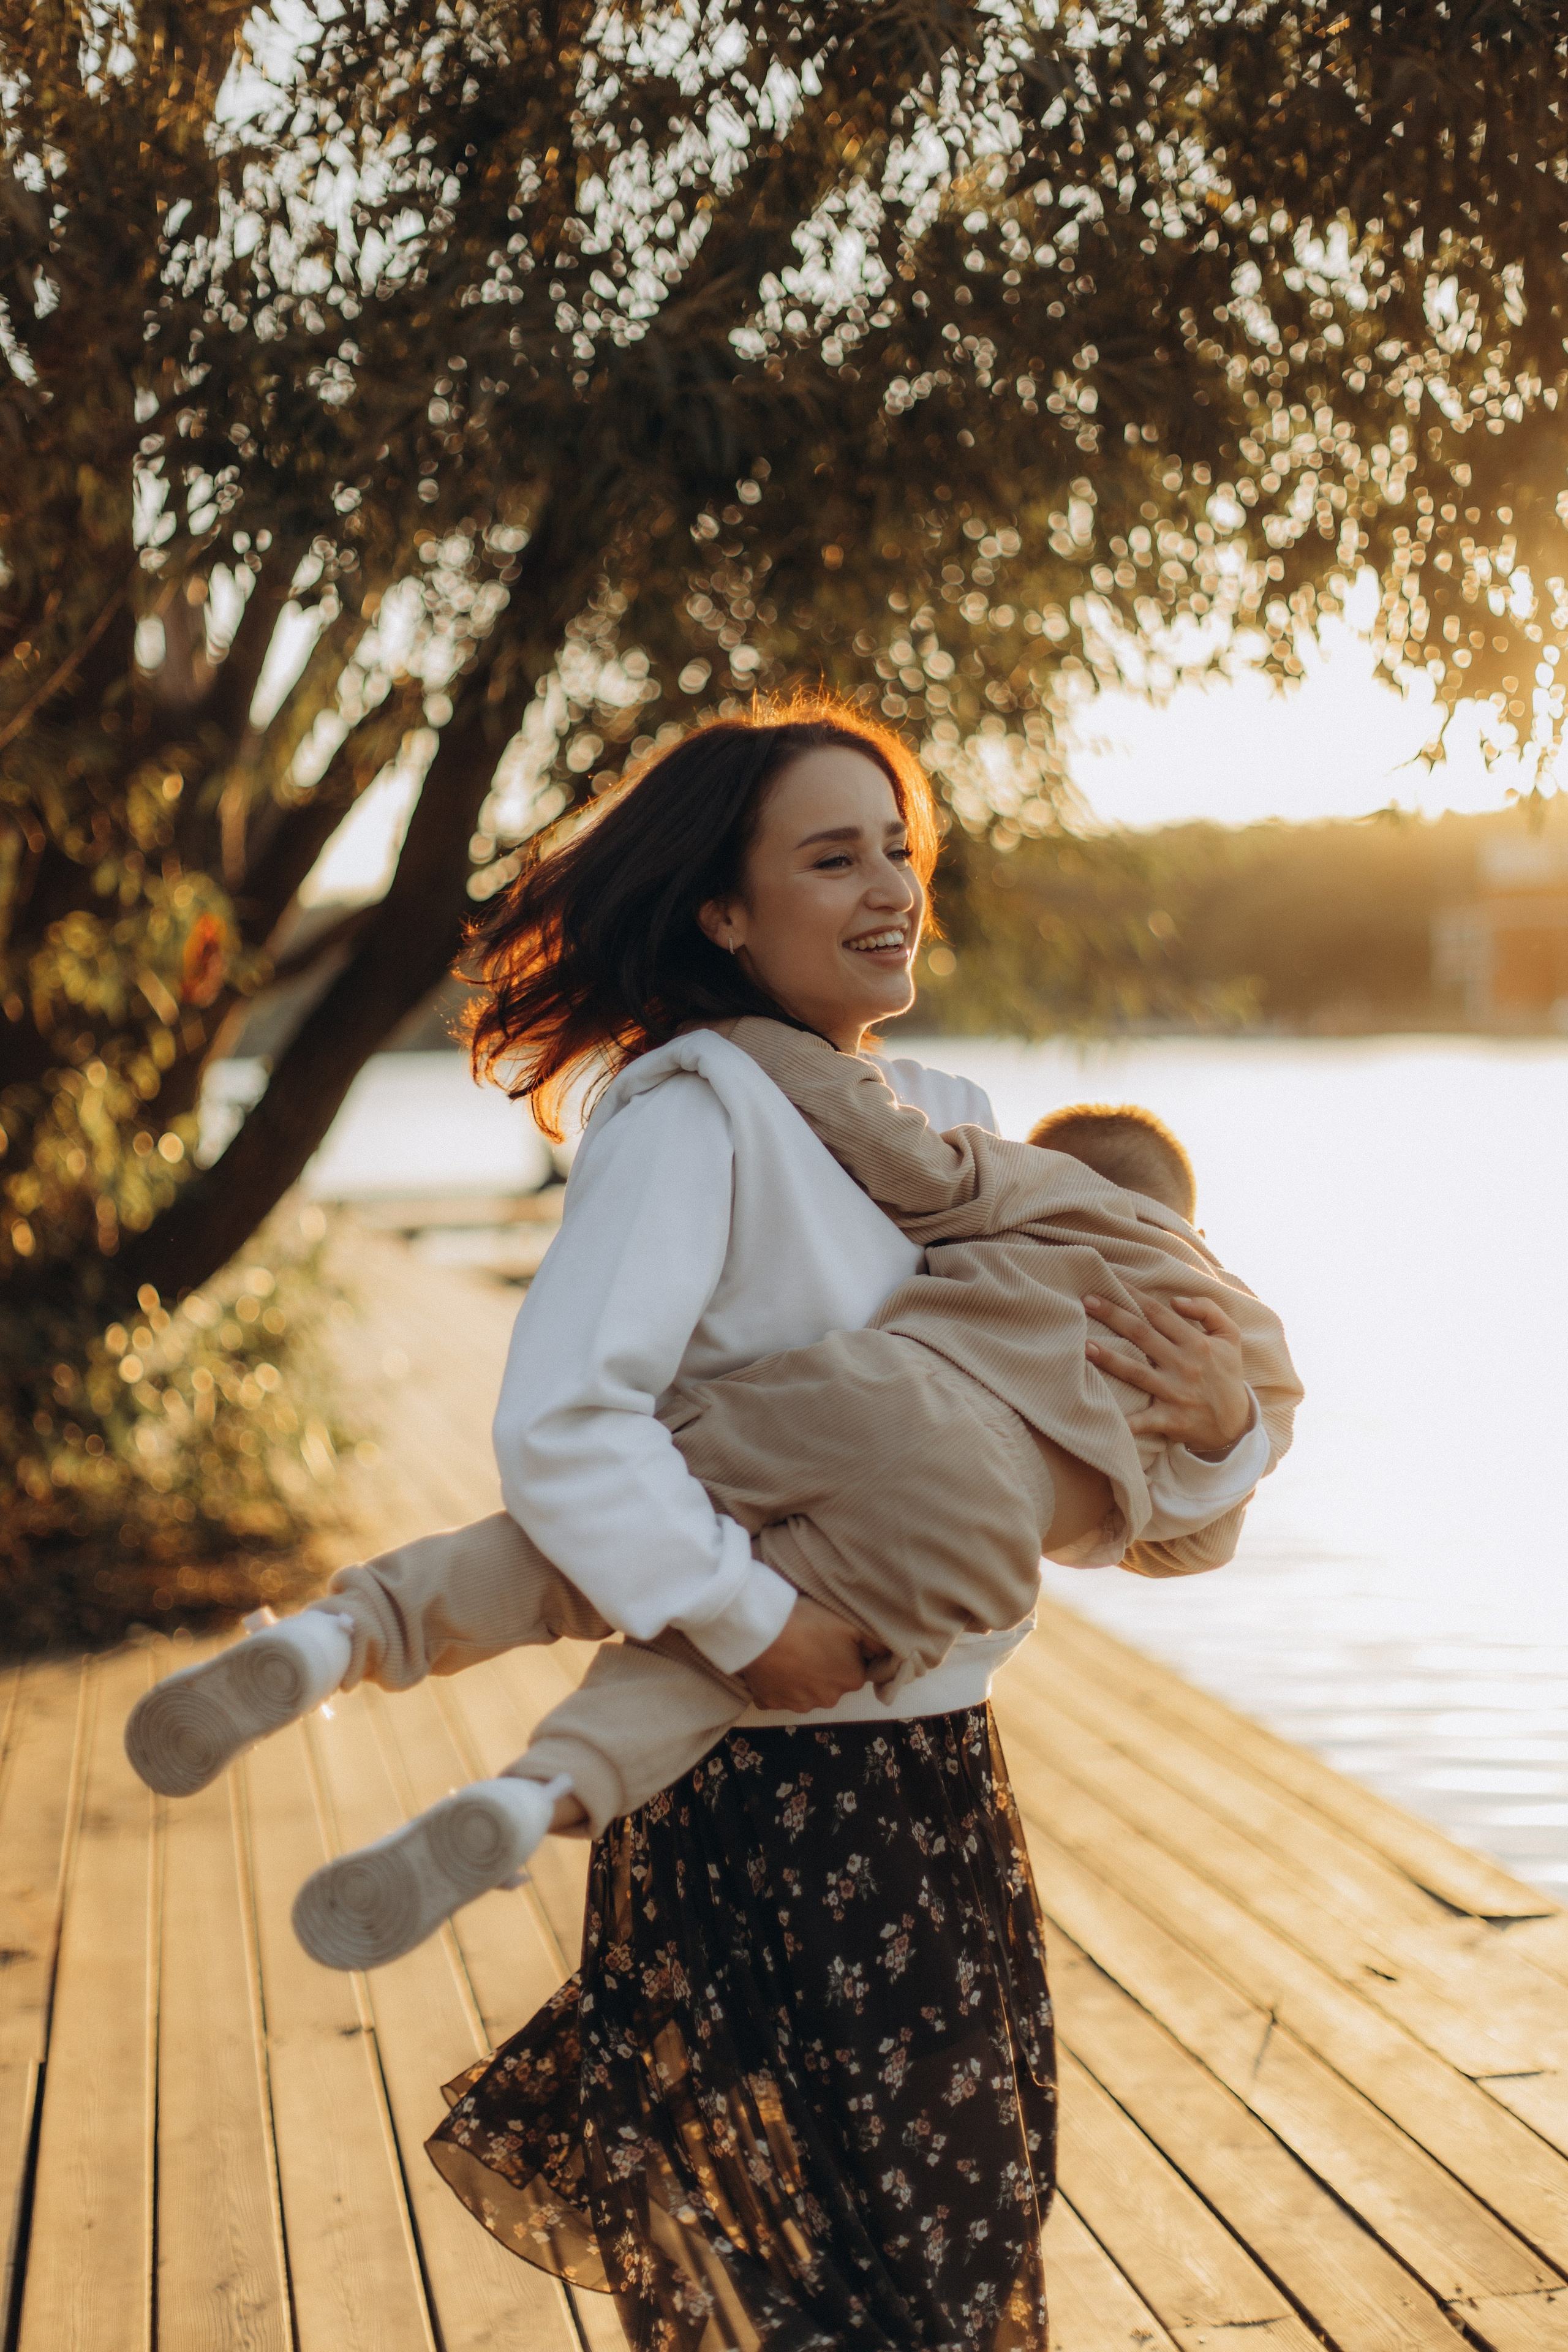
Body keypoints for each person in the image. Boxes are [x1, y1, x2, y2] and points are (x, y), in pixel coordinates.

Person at [133, 703, 1276, 2348]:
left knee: (950, 2245)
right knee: (791, 2287)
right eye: (834, 856)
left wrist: (1224, 1442)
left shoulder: (953, 1120)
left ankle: (384, 1671)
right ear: (723, 913)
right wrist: (757, 1624)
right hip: (760, 1779)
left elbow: (1070, 1476)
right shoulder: (687, 1112)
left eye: (901, 848)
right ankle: (371, 1670)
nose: (888, 886)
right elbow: (566, 1425)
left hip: (939, 1781)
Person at [126, 1028, 1298, 1981]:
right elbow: (1197, 1538)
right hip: (980, 1531)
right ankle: (531, 1798)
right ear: (1196, 1222)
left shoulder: (1036, 1186)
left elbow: (903, 1158)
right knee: (707, 1669)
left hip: (877, 1396)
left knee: (582, 1552)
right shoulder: (1246, 1331)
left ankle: (344, 1635)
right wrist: (1226, 1432)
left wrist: (730, 1044)